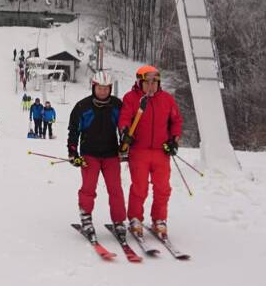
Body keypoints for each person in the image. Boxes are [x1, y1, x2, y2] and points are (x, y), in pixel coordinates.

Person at [118, 65, 182, 239]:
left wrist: (174, 140)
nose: (151, 86)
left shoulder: (167, 99)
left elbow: (176, 121)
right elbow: (124, 118)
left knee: (163, 188)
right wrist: (125, 132)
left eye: (155, 82)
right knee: (140, 187)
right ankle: (135, 219)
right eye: (148, 82)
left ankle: (159, 219)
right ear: (140, 82)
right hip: (139, 150)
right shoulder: (131, 98)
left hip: (161, 152)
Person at [67, 71, 127, 244]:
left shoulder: (116, 105)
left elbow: (123, 126)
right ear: (94, 87)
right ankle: (86, 218)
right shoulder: (82, 106)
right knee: (88, 188)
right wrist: (72, 152)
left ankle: (118, 220)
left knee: (115, 189)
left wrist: (125, 142)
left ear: (110, 89)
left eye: (106, 88)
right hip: (89, 154)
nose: (103, 92)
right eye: (100, 88)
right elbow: (74, 130)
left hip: (111, 154)